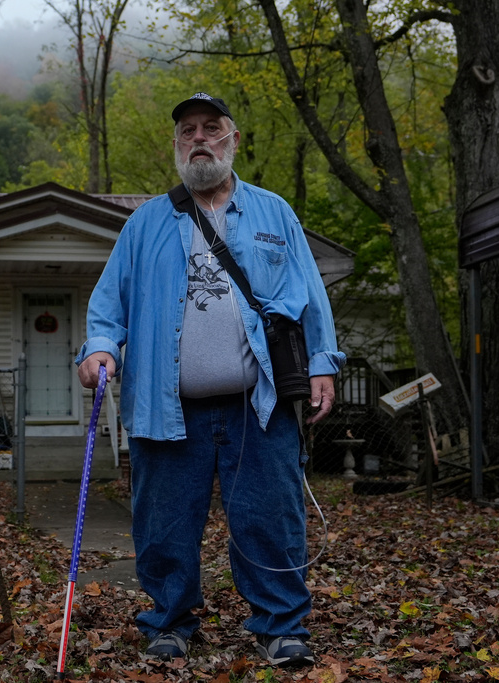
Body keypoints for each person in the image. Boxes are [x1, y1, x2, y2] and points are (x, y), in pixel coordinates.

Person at [75, 92, 345, 668]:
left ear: (233, 140)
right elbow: (106, 309)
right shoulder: (145, 223)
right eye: (188, 131)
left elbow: (312, 299)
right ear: (177, 145)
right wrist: (99, 350)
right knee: (164, 524)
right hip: (166, 408)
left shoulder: (275, 214)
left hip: (259, 403)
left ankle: (281, 626)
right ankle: (170, 623)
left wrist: (323, 362)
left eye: (211, 128)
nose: (199, 138)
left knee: (270, 518)